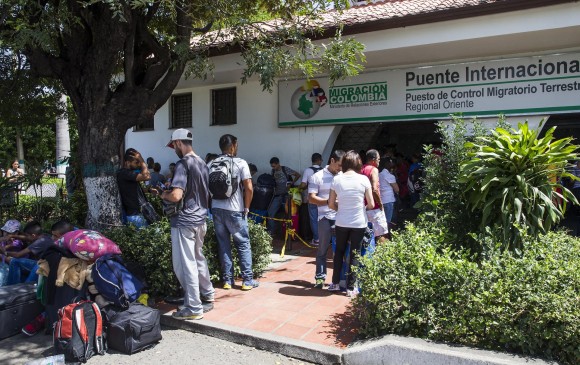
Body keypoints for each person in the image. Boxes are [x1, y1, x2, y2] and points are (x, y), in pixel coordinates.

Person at [161, 128, 215, 320]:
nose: (174, 149)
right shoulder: (202, 163)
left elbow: (176, 195)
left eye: (173, 145)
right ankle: (208, 294)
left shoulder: (183, 164)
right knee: (198, 258)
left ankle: (193, 307)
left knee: (185, 265)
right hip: (201, 219)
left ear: (178, 143)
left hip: (184, 221)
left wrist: (162, 194)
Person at [211, 134, 259, 290]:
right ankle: (247, 281)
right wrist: (246, 207)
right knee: (243, 243)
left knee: (223, 244)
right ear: (234, 145)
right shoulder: (240, 163)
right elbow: (249, 188)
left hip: (217, 209)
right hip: (235, 210)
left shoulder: (211, 163)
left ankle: (227, 280)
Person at [328, 151, 374, 297]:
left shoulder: (336, 180)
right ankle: (351, 288)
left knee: (339, 252)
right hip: (359, 222)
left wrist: (339, 209)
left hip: (341, 221)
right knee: (355, 253)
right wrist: (362, 209)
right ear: (357, 163)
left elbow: (330, 204)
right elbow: (371, 204)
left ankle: (335, 283)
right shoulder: (364, 179)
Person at [309, 150, 344, 289]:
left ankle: (337, 280)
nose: (340, 168)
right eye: (339, 165)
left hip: (340, 218)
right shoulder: (317, 177)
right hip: (324, 217)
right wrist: (329, 202)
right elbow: (311, 198)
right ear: (332, 160)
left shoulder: (343, 176)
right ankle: (320, 278)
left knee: (339, 251)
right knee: (322, 250)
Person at [1, 220, 73, 286]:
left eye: (55, 236)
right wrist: (12, 235)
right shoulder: (44, 236)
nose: (52, 238)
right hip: (41, 262)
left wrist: (4, 252)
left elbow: (18, 254)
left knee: (36, 268)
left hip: (44, 265)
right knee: (15, 262)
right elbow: (26, 237)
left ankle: (25, 289)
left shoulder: (40, 242)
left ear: (33, 235)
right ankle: (11, 287)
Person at [116, 148, 151, 229]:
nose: (138, 165)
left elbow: (132, 189)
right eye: (136, 162)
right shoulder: (124, 173)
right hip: (135, 215)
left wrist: (148, 190)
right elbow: (147, 176)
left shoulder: (129, 174)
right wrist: (141, 160)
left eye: (139, 162)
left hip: (138, 214)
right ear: (128, 163)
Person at [267, 157, 300, 235]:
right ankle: (272, 231)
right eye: (272, 166)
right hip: (277, 195)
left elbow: (298, 175)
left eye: (274, 166)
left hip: (287, 196)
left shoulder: (285, 169)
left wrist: (291, 183)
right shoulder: (273, 171)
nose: (273, 168)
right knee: (270, 212)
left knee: (289, 214)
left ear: (278, 163)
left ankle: (289, 233)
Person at [361, 149, 389, 241]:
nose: (379, 162)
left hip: (364, 208)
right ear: (373, 160)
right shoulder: (374, 170)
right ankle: (384, 254)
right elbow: (375, 189)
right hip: (374, 208)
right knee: (381, 235)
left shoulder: (361, 169)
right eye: (378, 159)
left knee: (367, 235)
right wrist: (380, 204)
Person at [299, 153, 323, 244]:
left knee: (313, 218)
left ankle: (317, 239)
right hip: (322, 199)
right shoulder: (324, 170)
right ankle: (324, 238)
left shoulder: (308, 170)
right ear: (319, 160)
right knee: (322, 218)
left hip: (312, 198)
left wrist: (298, 188)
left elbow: (303, 184)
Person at [379, 159, 399, 225]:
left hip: (381, 199)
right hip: (389, 200)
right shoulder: (390, 176)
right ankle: (387, 234)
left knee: (382, 220)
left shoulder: (379, 174)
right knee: (388, 221)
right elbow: (397, 189)